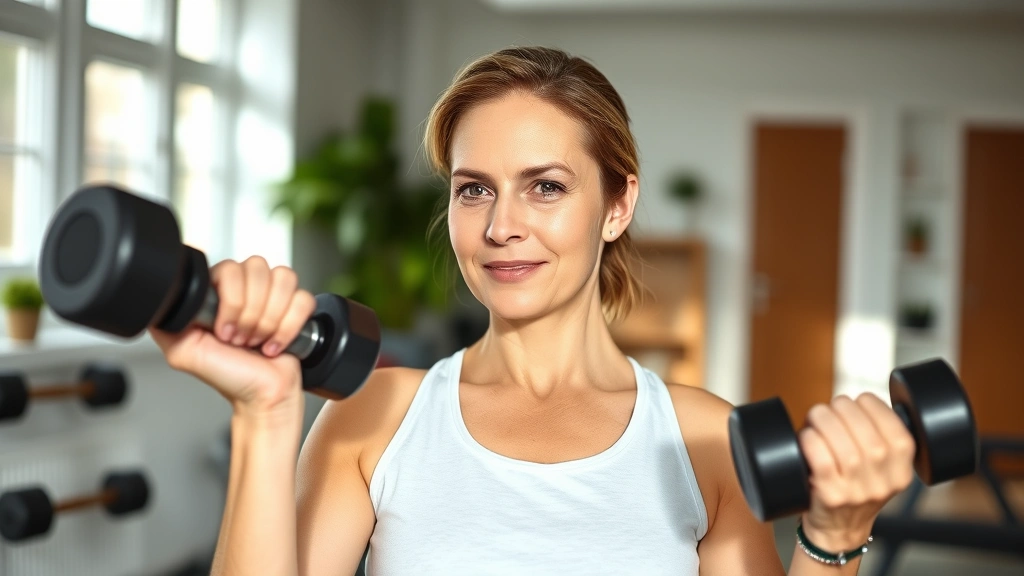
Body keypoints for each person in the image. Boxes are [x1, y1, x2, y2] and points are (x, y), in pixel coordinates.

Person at [150, 46, 915, 575]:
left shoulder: (707, 437)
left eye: (545, 186)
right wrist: (262, 416)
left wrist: (833, 540)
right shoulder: (375, 415)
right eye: (473, 188)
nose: (498, 226)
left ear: (617, 206)